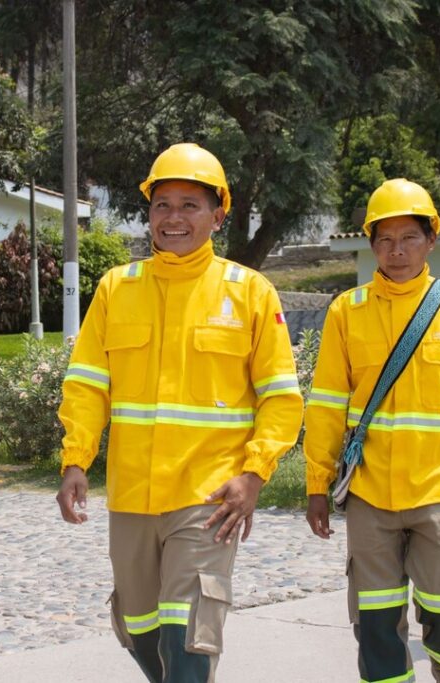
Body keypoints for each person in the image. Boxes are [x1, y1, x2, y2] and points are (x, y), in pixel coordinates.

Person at [55, 143, 302, 682]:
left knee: (188, 641)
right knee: (141, 628)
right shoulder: (117, 288)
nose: (174, 218)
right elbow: (88, 386)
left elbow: (281, 397)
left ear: (218, 216)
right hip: (132, 497)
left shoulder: (250, 293)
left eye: (190, 205)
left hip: (208, 498)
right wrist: (76, 460)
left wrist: (255, 473)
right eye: (162, 203)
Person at [304, 178, 440, 682]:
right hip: (370, 496)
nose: (396, 251)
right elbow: (328, 404)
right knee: (374, 623)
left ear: (431, 240)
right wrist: (316, 484)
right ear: (371, 244)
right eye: (385, 239)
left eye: (410, 238)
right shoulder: (346, 312)